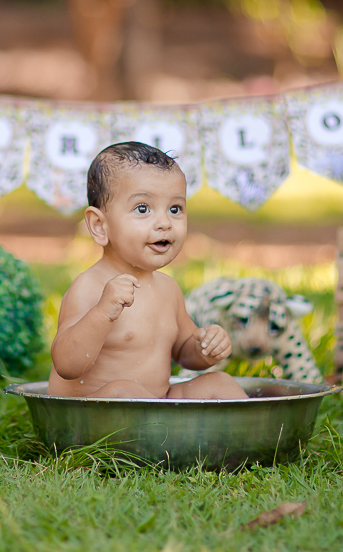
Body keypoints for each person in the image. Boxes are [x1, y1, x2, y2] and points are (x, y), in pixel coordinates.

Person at [48, 141, 248, 400]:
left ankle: (251, 437)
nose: (164, 223)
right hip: (94, 413)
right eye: (143, 209)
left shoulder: (168, 290)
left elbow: (183, 352)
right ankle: (169, 434)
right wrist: (101, 314)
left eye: (175, 209)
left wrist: (203, 349)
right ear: (99, 226)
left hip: (154, 407)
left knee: (220, 383)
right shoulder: (90, 287)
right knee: (124, 392)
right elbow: (66, 364)